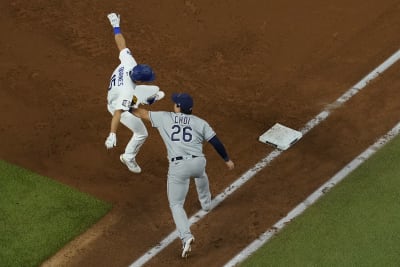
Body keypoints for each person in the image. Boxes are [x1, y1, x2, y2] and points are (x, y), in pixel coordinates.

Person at [133, 92, 235, 258]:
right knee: (200, 174)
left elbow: (141, 113)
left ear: (178, 107)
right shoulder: (200, 122)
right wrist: (227, 160)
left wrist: (127, 104)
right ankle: (206, 203)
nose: (174, 104)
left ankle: (186, 237)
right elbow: (216, 142)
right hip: (198, 163)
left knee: (176, 204)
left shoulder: (165, 117)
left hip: (179, 166)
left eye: (175, 103)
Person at [105, 13, 162, 173]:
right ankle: (128, 157)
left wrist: (116, 25)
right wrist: (112, 134)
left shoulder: (130, 63)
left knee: (156, 90)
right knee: (142, 133)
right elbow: (117, 113)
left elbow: (121, 45)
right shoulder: (127, 91)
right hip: (117, 105)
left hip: (122, 94)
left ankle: (145, 100)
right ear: (140, 79)